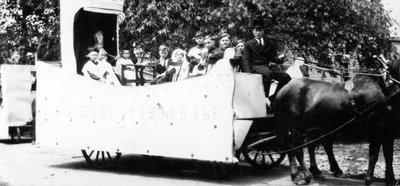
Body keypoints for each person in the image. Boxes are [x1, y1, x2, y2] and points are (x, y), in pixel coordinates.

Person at [242, 17, 291, 102]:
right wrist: (248, 74)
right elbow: (246, 60)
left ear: (263, 31)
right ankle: (264, 100)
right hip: (256, 67)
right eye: (256, 30)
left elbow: (273, 57)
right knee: (267, 73)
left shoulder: (269, 43)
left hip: (267, 66)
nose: (258, 32)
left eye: (260, 30)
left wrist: (281, 59)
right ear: (253, 31)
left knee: (286, 77)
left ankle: (275, 97)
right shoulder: (248, 44)